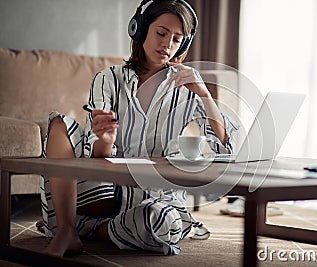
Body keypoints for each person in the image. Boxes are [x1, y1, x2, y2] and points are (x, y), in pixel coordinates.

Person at [38, 0, 238, 257]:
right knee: (58, 124)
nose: (167, 45)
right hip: (104, 190)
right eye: (161, 33)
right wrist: (106, 140)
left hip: (155, 198)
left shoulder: (187, 87)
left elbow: (224, 146)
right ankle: (66, 229)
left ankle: (89, 228)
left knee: (161, 222)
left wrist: (205, 96)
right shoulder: (107, 79)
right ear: (141, 30)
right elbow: (96, 156)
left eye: (177, 39)